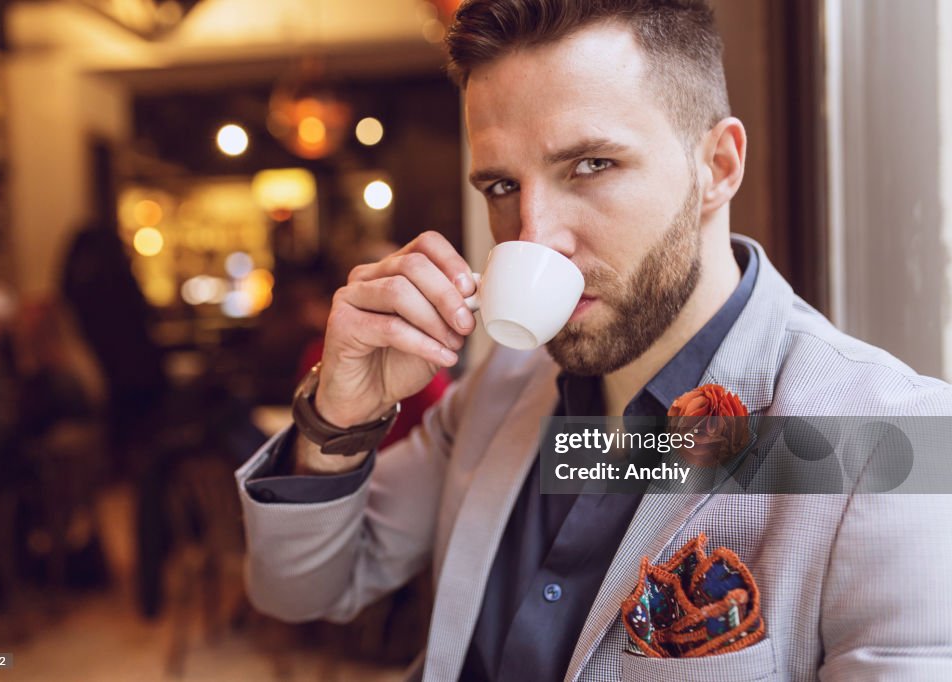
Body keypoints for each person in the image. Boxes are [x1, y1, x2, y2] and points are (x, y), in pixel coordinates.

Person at [235, 1, 952, 680]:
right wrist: (343, 413)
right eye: (499, 186)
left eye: (591, 165)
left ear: (718, 167)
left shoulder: (892, 440)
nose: (535, 236)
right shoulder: (503, 386)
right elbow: (300, 591)